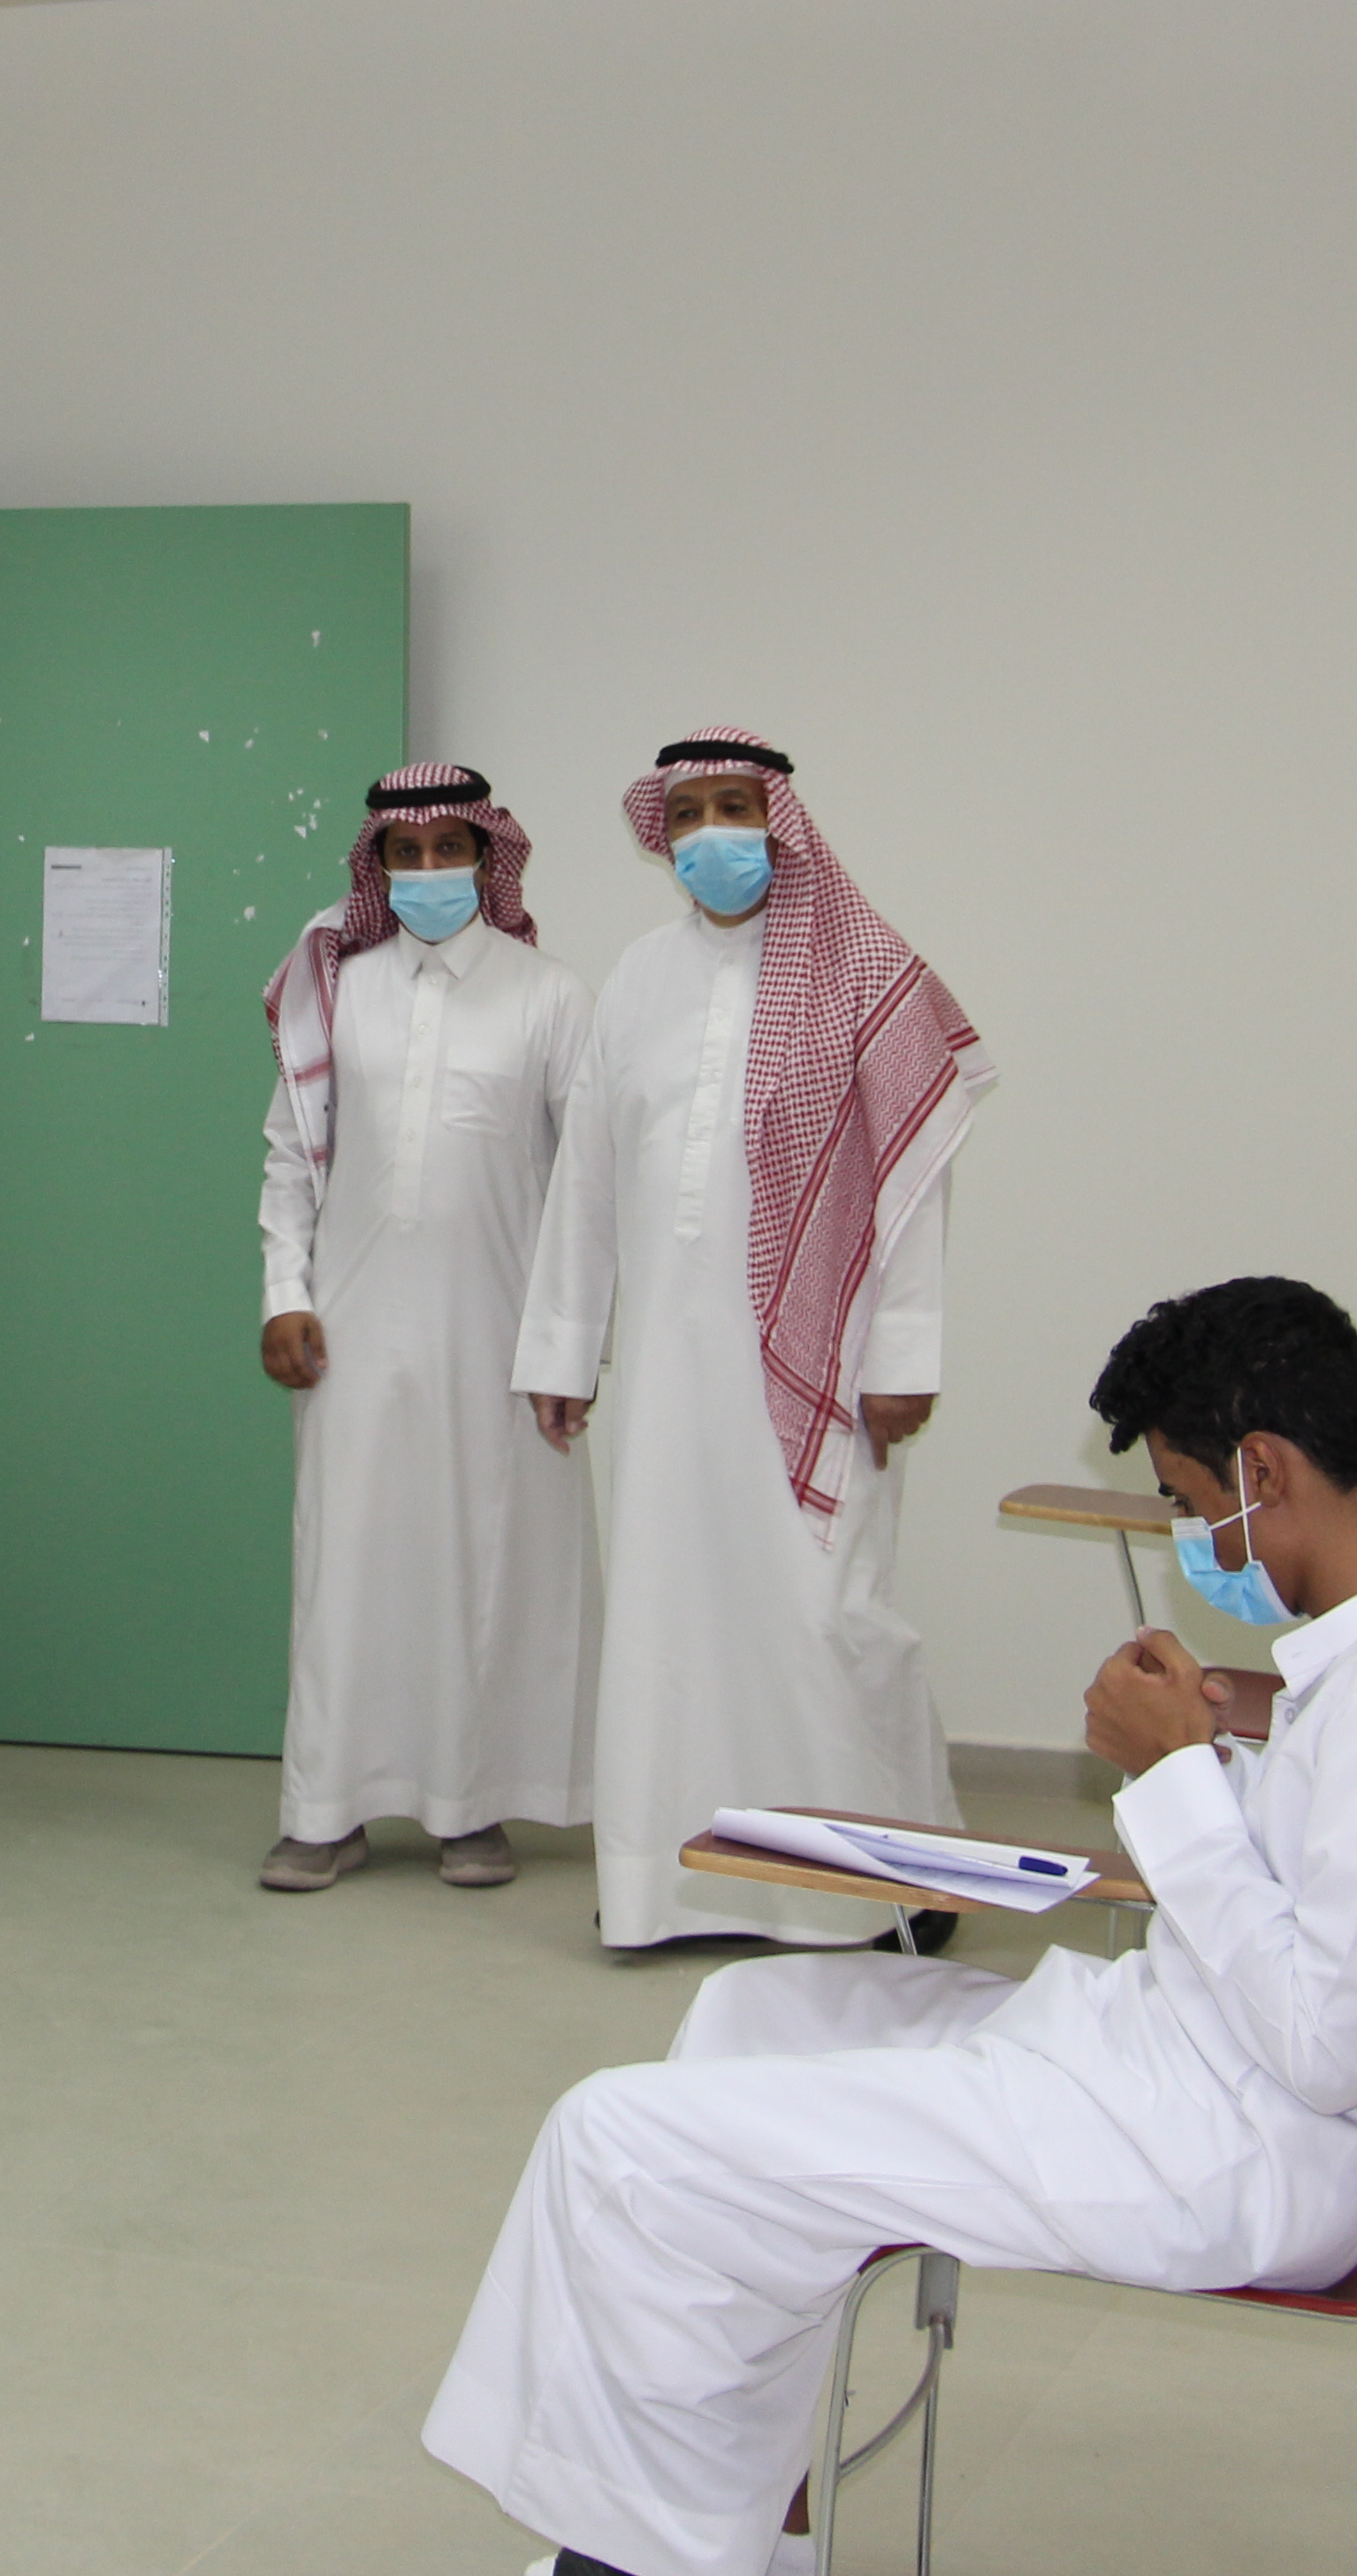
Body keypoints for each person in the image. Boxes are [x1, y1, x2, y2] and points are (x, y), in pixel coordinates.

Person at [427, 1278, 1357, 2576]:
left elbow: (1323, 2046)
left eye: (1193, 1505)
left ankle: (645, 2560)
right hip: (1207, 2071)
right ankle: (729, 2535)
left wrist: (1175, 1779)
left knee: (616, 2138)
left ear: (1265, 1468)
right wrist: (1218, 1763)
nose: (1194, 1541)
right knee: (748, 2011)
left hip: (1242, 2144)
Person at [511, 731, 991, 1950]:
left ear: (782, 820)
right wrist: (565, 1349)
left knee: (833, 1618)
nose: (712, 835)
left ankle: (898, 1882)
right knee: (672, 1620)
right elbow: (588, 1176)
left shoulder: (862, 970)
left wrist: (903, 1355)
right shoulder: (638, 978)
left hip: (825, 1365)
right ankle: (671, 1886)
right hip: (671, 1370)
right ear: (661, 835)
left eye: (736, 807)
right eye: (689, 815)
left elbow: (912, 1184)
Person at [252, 763, 599, 1894]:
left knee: (485, 1565)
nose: (430, 870)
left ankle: (470, 1807)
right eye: (407, 854)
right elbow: (289, 1157)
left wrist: (570, 1344)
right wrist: (284, 1293)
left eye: (453, 848)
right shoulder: (337, 990)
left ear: (489, 858)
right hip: (350, 1327)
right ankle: (325, 1811)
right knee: (345, 1564)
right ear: (380, 866)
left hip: (499, 1333)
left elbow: (590, 1187)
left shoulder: (551, 995)